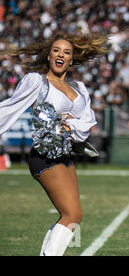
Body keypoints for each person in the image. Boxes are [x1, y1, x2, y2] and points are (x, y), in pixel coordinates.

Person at [0, 33, 108, 256]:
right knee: (72, 214)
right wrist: (65, 122)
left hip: (67, 155)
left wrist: (71, 125)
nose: (61, 55)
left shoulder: (79, 87)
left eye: (66, 52)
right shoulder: (36, 82)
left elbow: (87, 122)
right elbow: (9, 108)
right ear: (49, 55)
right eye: (57, 50)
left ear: (71, 59)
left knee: (71, 215)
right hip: (44, 155)